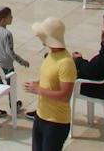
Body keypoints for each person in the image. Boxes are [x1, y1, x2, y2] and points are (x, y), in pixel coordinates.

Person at [24, 17, 76, 151]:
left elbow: (65, 95)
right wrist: (39, 84)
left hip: (56, 122)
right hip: (41, 116)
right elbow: (51, 81)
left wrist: (38, 89)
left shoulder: (66, 63)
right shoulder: (50, 55)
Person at [0, 6, 29, 105]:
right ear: (3, 20)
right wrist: (22, 61)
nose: (12, 17)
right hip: (6, 66)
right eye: (10, 16)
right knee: (11, 86)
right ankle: (13, 105)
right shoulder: (7, 34)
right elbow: (10, 52)